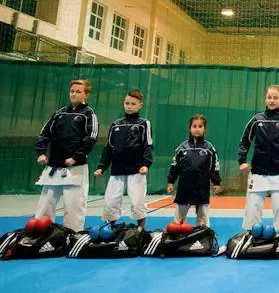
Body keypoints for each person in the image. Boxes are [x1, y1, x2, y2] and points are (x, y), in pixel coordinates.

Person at [34, 79, 99, 232]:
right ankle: (42, 233)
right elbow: (44, 134)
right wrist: (41, 152)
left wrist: (76, 157)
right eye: (72, 91)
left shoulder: (88, 114)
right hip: (54, 167)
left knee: (74, 207)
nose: (74, 94)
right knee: (45, 205)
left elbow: (91, 138)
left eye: (78, 91)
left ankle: (73, 236)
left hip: (75, 168)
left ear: (86, 95)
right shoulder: (60, 113)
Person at [238, 84, 279, 232]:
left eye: (275, 97)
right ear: (265, 99)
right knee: (253, 208)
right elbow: (244, 141)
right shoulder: (256, 120)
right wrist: (242, 161)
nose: (272, 100)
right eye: (269, 97)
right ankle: (251, 234)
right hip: (258, 173)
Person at [94, 89, 153, 227]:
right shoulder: (116, 124)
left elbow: (148, 144)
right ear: (123, 104)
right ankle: (110, 229)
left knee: (137, 202)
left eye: (133, 104)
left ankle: (141, 230)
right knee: (111, 202)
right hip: (117, 170)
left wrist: (146, 164)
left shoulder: (144, 123)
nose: (129, 106)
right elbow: (109, 147)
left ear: (140, 105)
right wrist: (102, 167)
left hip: (137, 170)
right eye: (127, 103)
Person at [167, 115, 221, 228]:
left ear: (204, 129)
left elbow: (215, 167)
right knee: (178, 219)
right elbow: (175, 166)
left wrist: (216, 182)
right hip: (184, 188)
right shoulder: (182, 147)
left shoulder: (209, 148)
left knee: (203, 218)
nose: (197, 129)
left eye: (200, 126)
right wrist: (171, 182)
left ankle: (203, 235)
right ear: (190, 128)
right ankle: (177, 234)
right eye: (194, 126)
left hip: (202, 188)